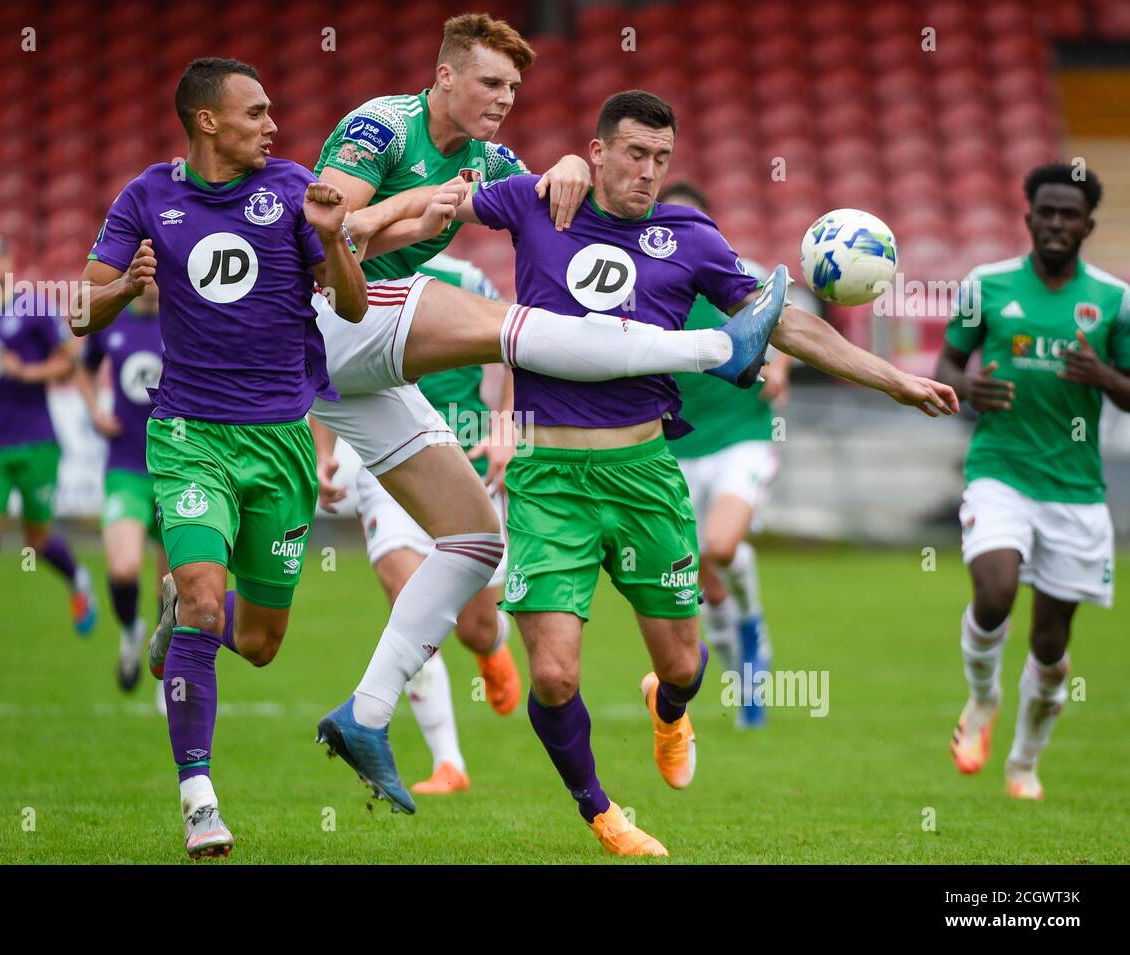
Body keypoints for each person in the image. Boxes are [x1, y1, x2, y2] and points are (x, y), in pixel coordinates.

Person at [448, 90, 958, 855]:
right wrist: (349, 226)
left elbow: (778, 319)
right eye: (634, 154)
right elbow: (446, 198)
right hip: (548, 478)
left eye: (662, 158)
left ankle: (669, 704)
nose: (649, 172)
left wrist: (891, 377)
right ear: (597, 152)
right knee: (553, 677)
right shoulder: (538, 201)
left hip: (648, 473)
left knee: (683, 663)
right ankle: (603, 814)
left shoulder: (688, 236)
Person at [309, 15, 784, 814]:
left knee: (471, 538)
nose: (505, 99)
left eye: (514, 88)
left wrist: (566, 163)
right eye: (491, 83)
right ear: (446, 75)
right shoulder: (381, 127)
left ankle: (363, 714)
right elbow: (334, 225)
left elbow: (546, 194)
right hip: (323, 311)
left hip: (361, 358)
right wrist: (427, 203)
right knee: (506, 324)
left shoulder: (493, 160)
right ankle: (714, 351)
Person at [73, 58, 367, 858]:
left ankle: (183, 612)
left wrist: (335, 239)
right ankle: (199, 797)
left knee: (263, 641)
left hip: (281, 439)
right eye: (256, 112)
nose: (272, 125)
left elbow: (350, 301)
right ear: (207, 121)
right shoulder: (147, 196)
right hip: (188, 433)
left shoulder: (293, 187)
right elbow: (78, 310)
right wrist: (119, 290)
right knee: (206, 599)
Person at [936, 163, 1129, 800]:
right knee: (994, 592)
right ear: (1029, 219)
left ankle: (1024, 761)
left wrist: (1104, 376)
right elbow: (946, 368)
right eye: (1044, 213)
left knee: (1051, 646)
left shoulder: (1114, 300)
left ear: (1087, 225)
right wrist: (968, 389)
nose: (1054, 224)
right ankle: (983, 699)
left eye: (1067, 215)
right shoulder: (986, 286)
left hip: (1075, 490)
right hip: (1001, 471)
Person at [316, 251, 521, 796]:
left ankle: (493, 642)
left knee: (474, 624)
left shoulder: (464, 277)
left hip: (461, 459)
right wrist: (321, 454)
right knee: (406, 597)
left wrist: (505, 426)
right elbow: (319, 360)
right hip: (381, 461)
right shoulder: (346, 276)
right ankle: (448, 762)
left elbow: (516, 347)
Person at [659, 181, 794, 727]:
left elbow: (786, 327)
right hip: (675, 445)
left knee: (719, 544)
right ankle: (744, 669)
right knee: (695, 572)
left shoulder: (743, 279)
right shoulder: (646, 285)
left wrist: (779, 365)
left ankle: (753, 629)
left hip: (742, 438)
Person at [0, 232, 96, 665]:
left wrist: (27, 371)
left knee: (38, 539)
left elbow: (69, 361)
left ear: (8, 263)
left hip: (36, 442)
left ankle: (78, 579)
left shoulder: (32, 308)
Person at [76, 281, 169, 701]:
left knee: (172, 588)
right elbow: (84, 366)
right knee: (124, 569)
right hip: (125, 467)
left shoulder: (184, 318)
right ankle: (131, 630)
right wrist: (95, 411)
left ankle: (168, 678)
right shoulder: (110, 323)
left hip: (176, 469)